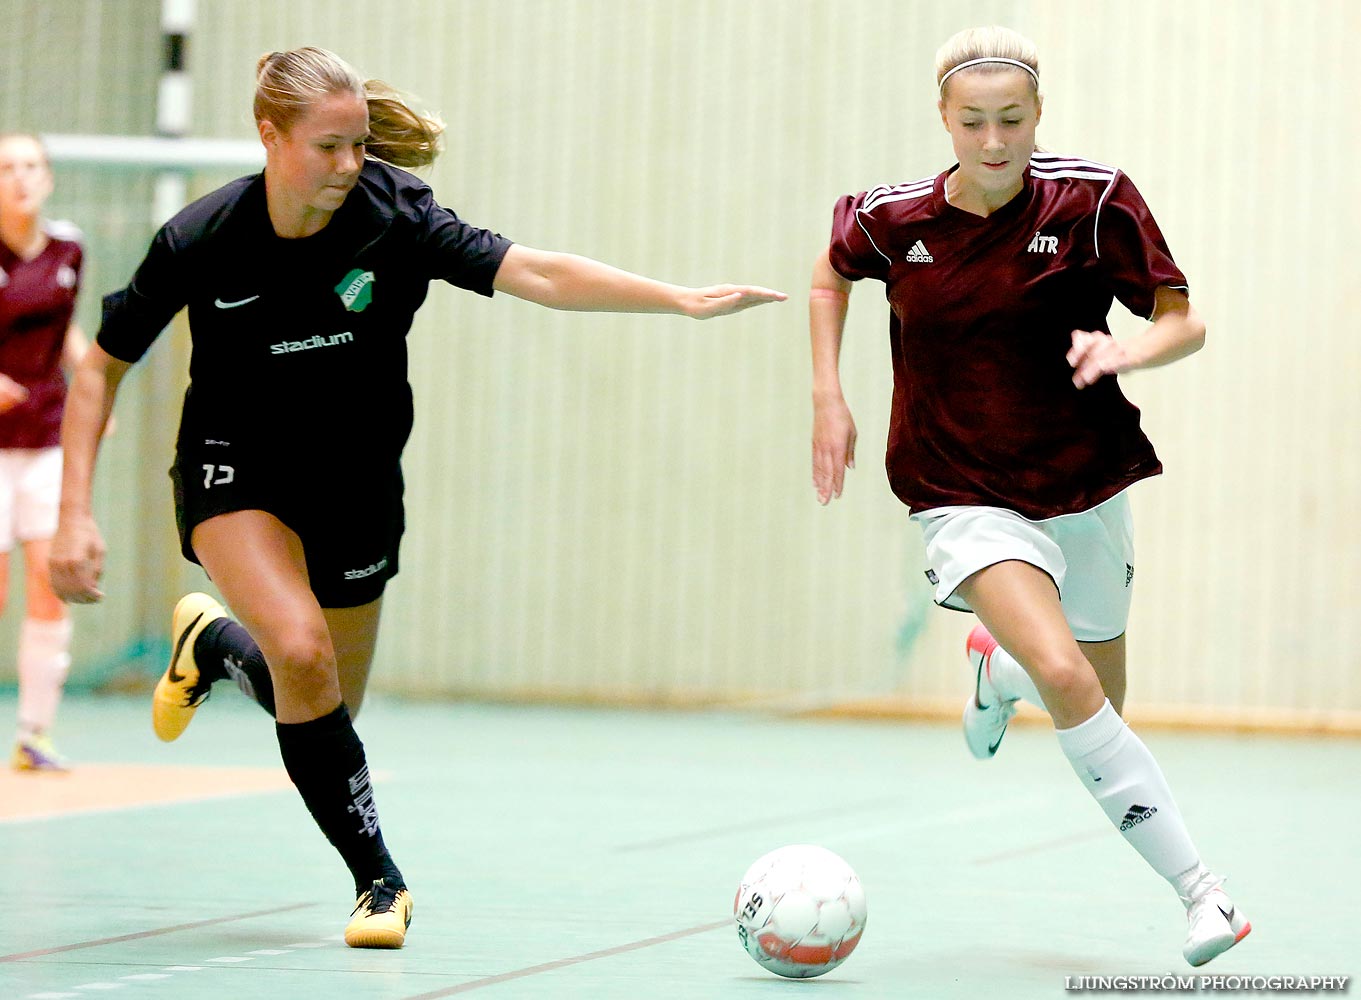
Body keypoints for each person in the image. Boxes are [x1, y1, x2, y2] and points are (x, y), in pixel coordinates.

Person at [50, 47, 784, 949]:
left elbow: (538, 273)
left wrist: (673, 299)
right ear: (269, 135)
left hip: (356, 478)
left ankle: (213, 647)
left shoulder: (395, 216)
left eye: (359, 144)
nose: (350, 165)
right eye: (328, 146)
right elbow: (101, 368)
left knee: (322, 704)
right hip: (235, 463)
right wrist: (74, 512)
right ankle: (379, 883)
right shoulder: (202, 239)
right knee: (304, 655)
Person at [809, 26, 1249, 968]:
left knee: (1097, 698)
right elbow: (830, 273)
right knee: (1068, 679)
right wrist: (828, 396)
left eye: (1012, 119)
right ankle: (1202, 894)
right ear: (943, 119)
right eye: (973, 122)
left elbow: (1186, 320)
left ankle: (995, 669)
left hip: (1081, 481)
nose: (994, 139)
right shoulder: (894, 219)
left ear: (1038, 114)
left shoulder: (1093, 201)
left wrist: (1129, 347)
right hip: (956, 487)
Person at [0, 132, 90, 773]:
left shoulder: (69, 249)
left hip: (47, 438)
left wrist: (94, 391)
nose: (20, 177)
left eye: (30, 165)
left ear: (48, 177)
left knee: (47, 583)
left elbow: (66, 334)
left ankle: (35, 734)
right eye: (6, 168)